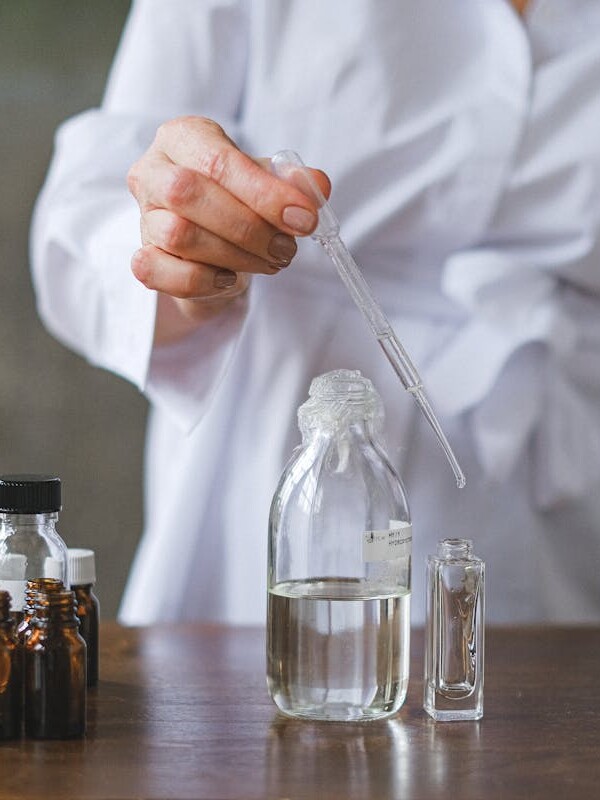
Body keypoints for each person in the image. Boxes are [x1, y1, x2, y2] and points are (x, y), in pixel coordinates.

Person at [31, 0, 600, 625]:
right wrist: (185, 258)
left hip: (569, 489)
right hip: (274, 464)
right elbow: (88, 221)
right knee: (289, 700)